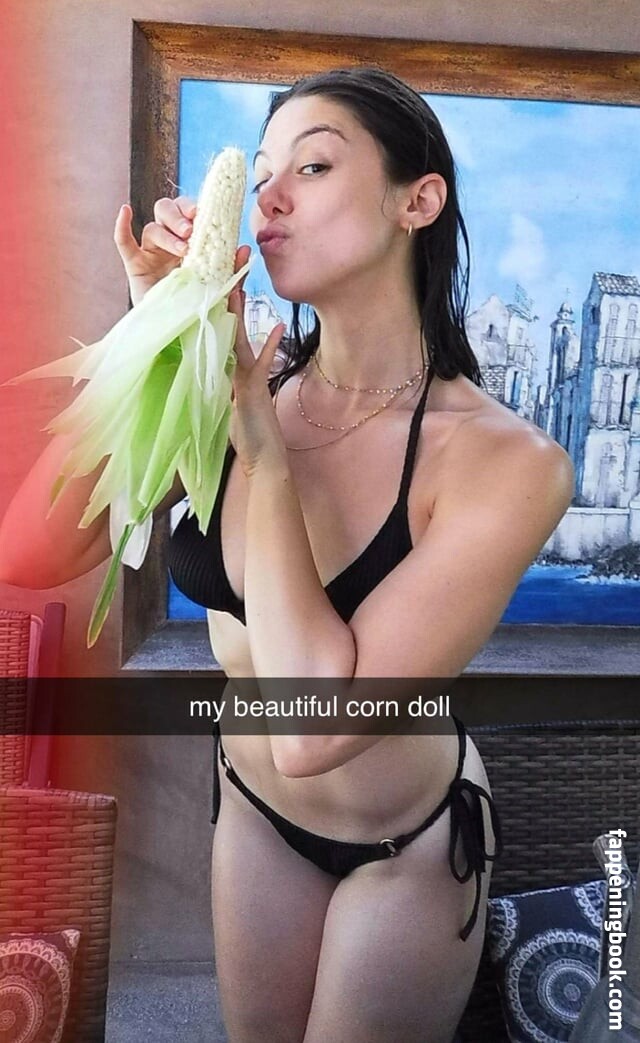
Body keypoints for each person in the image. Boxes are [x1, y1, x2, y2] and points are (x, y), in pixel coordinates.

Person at [0, 68, 574, 1043]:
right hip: (256, 812)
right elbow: (32, 548)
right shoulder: (230, 381)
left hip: (405, 844)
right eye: (261, 172)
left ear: (417, 201)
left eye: (312, 166)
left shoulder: (509, 462)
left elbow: (317, 727)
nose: (268, 197)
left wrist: (263, 456)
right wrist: (156, 336)